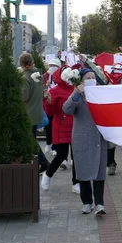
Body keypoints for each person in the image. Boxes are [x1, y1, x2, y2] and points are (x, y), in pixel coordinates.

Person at [62, 68, 108, 215]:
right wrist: (76, 92)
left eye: (92, 76)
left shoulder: (101, 93)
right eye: (87, 77)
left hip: (99, 138)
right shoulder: (78, 94)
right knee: (83, 171)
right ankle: (87, 202)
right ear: (81, 81)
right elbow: (67, 109)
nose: (90, 79)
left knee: (100, 173)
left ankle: (100, 203)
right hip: (83, 138)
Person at [42, 66, 80, 194]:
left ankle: (76, 182)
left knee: (77, 157)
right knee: (61, 155)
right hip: (62, 126)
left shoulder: (76, 88)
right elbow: (50, 112)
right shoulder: (55, 90)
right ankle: (48, 174)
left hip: (76, 125)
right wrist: (48, 102)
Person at [19, 52, 49, 174]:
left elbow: (24, 96)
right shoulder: (38, 75)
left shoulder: (26, 77)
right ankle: (37, 163)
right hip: (37, 111)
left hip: (28, 113)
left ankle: (43, 162)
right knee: (32, 138)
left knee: (29, 139)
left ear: (23, 64)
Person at [43, 58, 61, 155]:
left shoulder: (61, 77)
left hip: (58, 105)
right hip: (48, 104)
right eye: (51, 66)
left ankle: (55, 146)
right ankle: (49, 142)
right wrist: (45, 86)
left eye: (54, 66)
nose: (52, 68)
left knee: (56, 126)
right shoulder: (44, 76)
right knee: (48, 125)